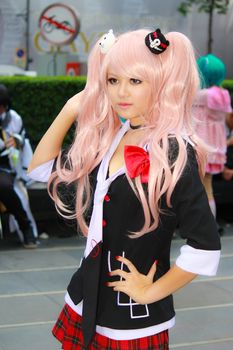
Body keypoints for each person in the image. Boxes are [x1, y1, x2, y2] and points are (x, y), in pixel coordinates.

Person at [28, 29, 221, 349]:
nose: (121, 92)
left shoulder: (173, 151)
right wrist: (71, 108)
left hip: (132, 319)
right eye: (113, 80)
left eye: (135, 81)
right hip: (83, 298)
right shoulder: (111, 137)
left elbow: (204, 247)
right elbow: (40, 170)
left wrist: (152, 291)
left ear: (161, 82)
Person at [193, 54, 232, 217]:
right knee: (207, 188)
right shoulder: (223, 95)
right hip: (215, 149)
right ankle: (210, 228)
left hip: (199, 146)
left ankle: (202, 228)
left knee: (196, 189)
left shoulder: (202, 95)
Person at [0, 84, 38, 248]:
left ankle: (26, 226)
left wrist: (16, 141)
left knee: (5, 186)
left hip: (5, 166)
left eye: (2, 107)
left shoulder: (13, 118)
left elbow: (23, 139)